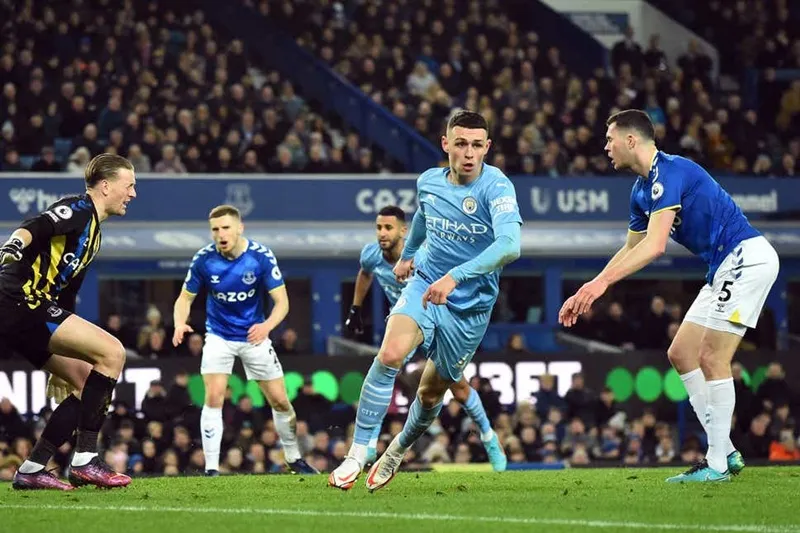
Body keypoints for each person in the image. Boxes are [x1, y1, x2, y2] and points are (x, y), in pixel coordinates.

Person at [559, 109, 780, 482]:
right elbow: (633, 247)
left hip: (746, 257)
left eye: (610, 138)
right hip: (722, 267)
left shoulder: (671, 171)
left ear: (631, 140)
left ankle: (716, 464)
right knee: (680, 353)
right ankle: (725, 451)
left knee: (712, 356)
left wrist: (601, 285)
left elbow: (656, 246)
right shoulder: (640, 191)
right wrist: (592, 285)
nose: (605, 146)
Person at [329, 110, 522, 491]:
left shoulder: (496, 188)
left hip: (470, 306)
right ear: (446, 143)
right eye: (461, 143)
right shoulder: (429, 182)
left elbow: (510, 246)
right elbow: (423, 218)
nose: (468, 153)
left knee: (432, 392)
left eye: (477, 145)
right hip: (426, 283)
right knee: (390, 355)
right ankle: (359, 450)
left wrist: (456, 277)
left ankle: (396, 450)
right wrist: (409, 255)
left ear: (487, 148)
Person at [1, 153, 137, 490]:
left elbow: (66, 296)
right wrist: (13, 248)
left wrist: (66, 352)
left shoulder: (94, 234)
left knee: (82, 378)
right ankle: (85, 460)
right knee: (114, 353)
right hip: (18, 301)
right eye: (129, 185)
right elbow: (35, 226)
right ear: (106, 186)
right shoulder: (78, 209)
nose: (133, 193)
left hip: (30, 311)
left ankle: (31, 468)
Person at [344, 205, 506, 471]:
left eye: (388, 228)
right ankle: (368, 443)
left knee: (458, 387)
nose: (382, 234)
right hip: (406, 322)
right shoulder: (371, 255)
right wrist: (356, 308)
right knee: (386, 365)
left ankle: (489, 436)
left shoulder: (421, 255)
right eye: (378, 227)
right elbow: (364, 273)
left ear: (403, 230)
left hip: (434, 318)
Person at [172, 205, 318, 476]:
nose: (220, 234)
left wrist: (267, 326)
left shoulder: (260, 257)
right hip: (218, 335)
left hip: (254, 336)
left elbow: (282, 302)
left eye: (226, 227)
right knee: (213, 397)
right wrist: (180, 322)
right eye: (215, 229)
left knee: (280, 402)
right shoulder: (203, 259)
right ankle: (212, 469)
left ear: (240, 228)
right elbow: (184, 298)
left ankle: (294, 458)